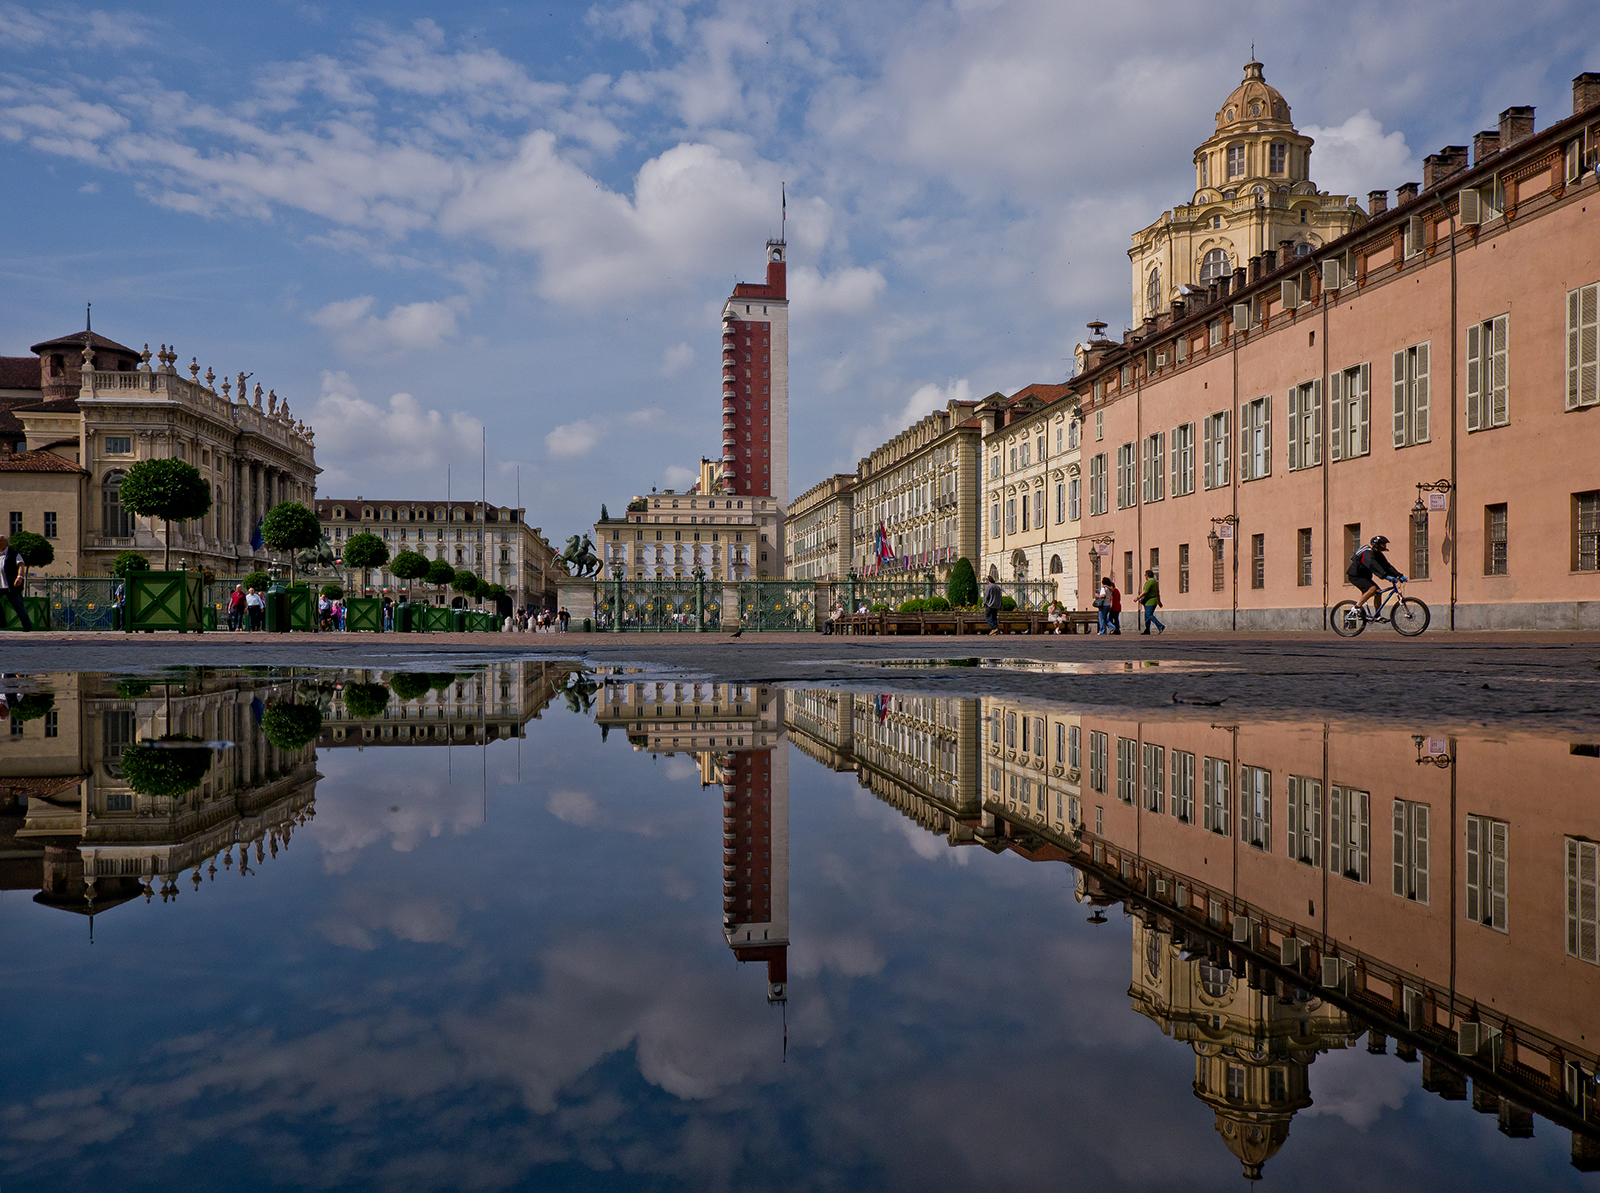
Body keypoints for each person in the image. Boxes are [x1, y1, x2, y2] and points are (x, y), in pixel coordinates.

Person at [1348, 535, 1406, 617]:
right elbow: (1372, 565)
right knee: (1372, 589)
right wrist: (1385, 576)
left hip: (1364, 576)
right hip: (1356, 575)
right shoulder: (1367, 553)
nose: (1385, 546)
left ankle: (1377, 615)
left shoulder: (1378, 554)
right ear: (1377, 544)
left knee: (1378, 592)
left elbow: (1387, 566)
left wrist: (1399, 575)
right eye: (1383, 544)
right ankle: (1357, 607)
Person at [0, 536, 32, 631]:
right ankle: (2, 622)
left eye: (0, 541)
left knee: (18, 605)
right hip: (0, 584)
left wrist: (20, 577)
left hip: (11, 584)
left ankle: (27, 626)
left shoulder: (13, 553)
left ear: (6, 543)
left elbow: (21, 565)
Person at [1138, 569, 1165, 635]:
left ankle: (1160, 626)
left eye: (1145, 575)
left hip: (1150, 601)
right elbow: (1158, 593)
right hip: (1152, 601)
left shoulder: (1150, 581)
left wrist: (1138, 597)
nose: (1145, 576)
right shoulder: (1155, 582)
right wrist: (1159, 601)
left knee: (1149, 615)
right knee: (1147, 616)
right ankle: (1147, 630)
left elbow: (1145, 591)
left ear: (1147, 575)